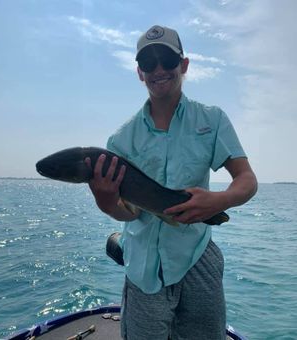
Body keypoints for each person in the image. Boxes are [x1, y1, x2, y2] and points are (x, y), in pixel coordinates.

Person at [86, 25, 257, 340]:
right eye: (149, 64)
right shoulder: (121, 139)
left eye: (167, 59)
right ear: (140, 73)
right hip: (143, 268)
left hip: (196, 254)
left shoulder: (212, 120)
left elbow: (246, 180)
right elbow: (131, 213)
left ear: (185, 65)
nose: (159, 69)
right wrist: (107, 202)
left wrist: (219, 200)